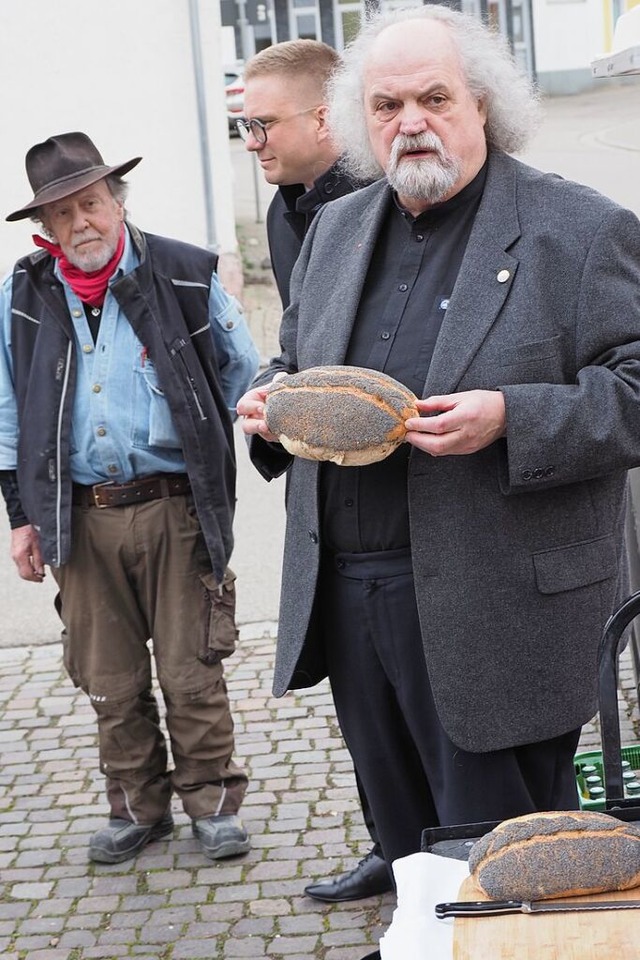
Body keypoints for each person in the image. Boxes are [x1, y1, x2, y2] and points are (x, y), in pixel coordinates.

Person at [238, 3, 640, 878]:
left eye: (433, 97)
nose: (410, 122)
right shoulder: (337, 231)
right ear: (358, 122)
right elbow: (295, 357)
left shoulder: (579, 229)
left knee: (509, 872)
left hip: (496, 608)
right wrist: (273, 404)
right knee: (410, 853)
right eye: (386, 106)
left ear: (483, 103)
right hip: (351, 603)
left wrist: (511, 418)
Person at [0, 132, 260, 865]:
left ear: (117, 202)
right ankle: (138, 807)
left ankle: (212, 805)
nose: (81, 222)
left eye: (91, 203)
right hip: (77, 518)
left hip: (176, 506)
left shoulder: (183, 274)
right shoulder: (22, 295)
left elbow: (247, 374)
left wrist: (292, 433)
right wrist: (22, 518)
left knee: (190, 669)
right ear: (43, 230)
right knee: (108, 678)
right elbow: (8, 415)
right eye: (62, 213)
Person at [239, 39, 392, 902]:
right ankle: (390, 843)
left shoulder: (381, 200)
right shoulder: (283, 211)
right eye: (243, 126)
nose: (252, 141)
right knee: (358, 692)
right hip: (324, 490)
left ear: (323, 118)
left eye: (263, 124)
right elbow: (299, 341)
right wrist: (269, 392)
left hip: (401, 487)